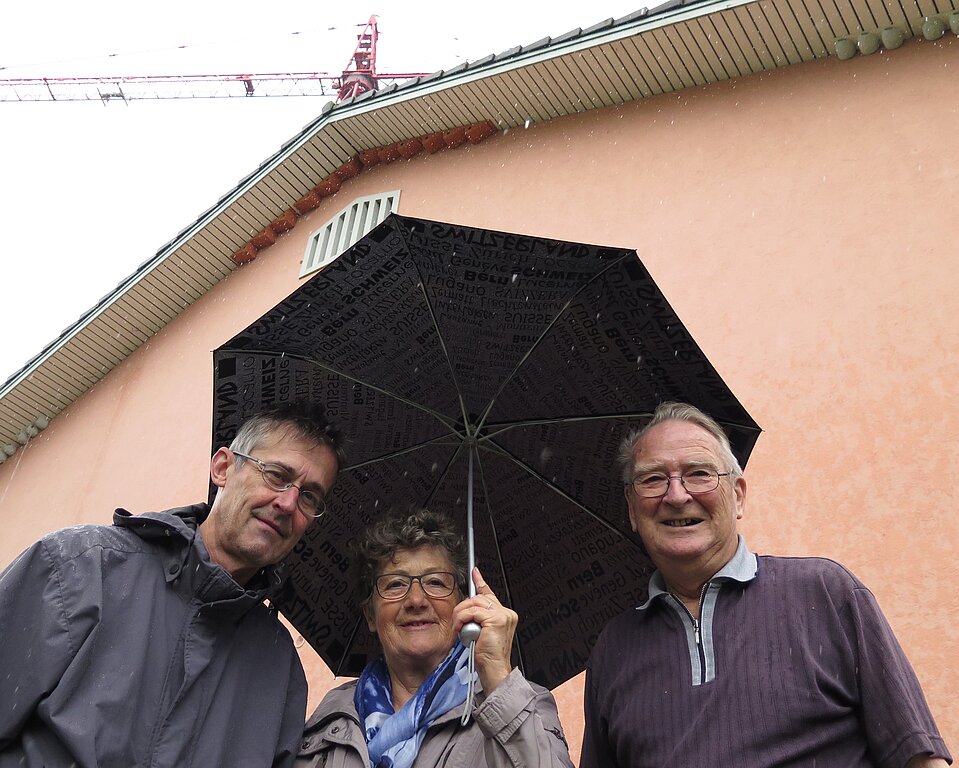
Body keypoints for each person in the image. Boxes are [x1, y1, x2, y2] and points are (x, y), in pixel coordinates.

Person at [581, 401, 952, 768]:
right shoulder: (613, 649)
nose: (676, 495)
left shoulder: (825, 594)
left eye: (699, 473)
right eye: (652, 479)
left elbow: (919, 759)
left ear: (738, 495)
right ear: (632, 509)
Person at [0, 400, 343, 768]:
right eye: (277, 475)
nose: (289, 503)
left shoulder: (281, 672)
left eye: (309, 496)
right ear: (223, 467)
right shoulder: (81, 568)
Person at [297, 508, 573, 768]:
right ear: (370, 614)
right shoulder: (332, 719)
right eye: (395, 584)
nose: (416, 600)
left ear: (465, 604)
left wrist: (498, 678)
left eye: (436, 582)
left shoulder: (523, 704)